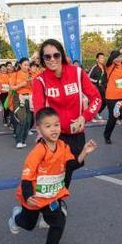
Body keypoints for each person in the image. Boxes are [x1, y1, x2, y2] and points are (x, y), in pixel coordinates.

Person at [8, 107, 97, 244]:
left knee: (59, 222)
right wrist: (28, 197)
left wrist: (84, 151)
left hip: (52, 196)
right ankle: (16, 217)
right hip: (34, 197)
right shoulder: (38, 151)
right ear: (39, 129)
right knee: (28, 224)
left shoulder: (63, 146)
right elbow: (27, 176)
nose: (54, 129)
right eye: (48, 126)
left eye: (56, 125)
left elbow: (71, 165)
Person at [32, 39, 102, 189]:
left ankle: (57, 198)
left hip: (76, 132)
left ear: (62, 55)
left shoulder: (77, 73)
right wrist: (41, 132)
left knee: (71, 166)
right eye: (47, 57)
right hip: (54, 135)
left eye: (56, 55)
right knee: (54, 170)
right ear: (43, 59)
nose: (52, 60)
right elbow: (39, 110)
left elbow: (96, 98)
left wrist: (84, 117)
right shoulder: (39, 80)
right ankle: (50, 203)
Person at [103, 50, 122, 144]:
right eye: (116, 57)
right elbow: (112, 57)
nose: (118, 59)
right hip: (112, 97)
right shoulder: (109, 66)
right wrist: (121, 50)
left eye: (119, 57)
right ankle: (107, 135)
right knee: (113, 118)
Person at [11, 57, 33, 148]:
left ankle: (23, 140)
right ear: (20, 65)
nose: (27, 67)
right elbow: (12, 87)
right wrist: (22, 84)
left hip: (30, 99)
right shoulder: (15, 75)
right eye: (25, 65)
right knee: (22, 119)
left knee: (28, 121)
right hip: (18, 99)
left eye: (28, 65)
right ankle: (18, 140)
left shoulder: (32, 75)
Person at [88, 52, 107, 118]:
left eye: (103, 58)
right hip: (96, 87)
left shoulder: (105, 67)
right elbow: (88, 77)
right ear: (97, 59)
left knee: (105, 101)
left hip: (103, 87)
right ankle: (92, 114)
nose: (102, 59)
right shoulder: (94, 67)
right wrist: (96, 81)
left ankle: (97, 112)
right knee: (96, 101)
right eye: (101, 58)